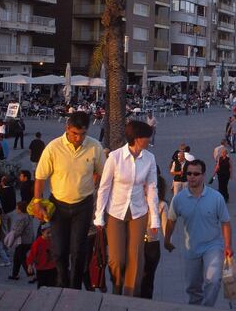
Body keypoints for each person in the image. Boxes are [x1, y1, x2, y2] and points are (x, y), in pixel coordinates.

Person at [33, 112, 105, 289]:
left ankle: (75, 288)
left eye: (82, 134)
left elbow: (102, 172)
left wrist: (93, 183)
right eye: (74, 133)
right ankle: (63, 283)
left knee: (79, 251)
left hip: (83, 205)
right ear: (67, 128)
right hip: (58, 205)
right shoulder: (53, 147)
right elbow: (41, 177)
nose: (78, 138)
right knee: (59, 251)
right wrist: (37, 202)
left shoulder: (95, 147)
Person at [93, 120, 159, 296]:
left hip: (139, 211)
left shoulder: (149, 158)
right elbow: (104, 187)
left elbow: (152, 188)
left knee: (136, 257)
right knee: (116, 258)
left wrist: (155, 220)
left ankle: (130, 295)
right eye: (147, 137)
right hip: (115, 211)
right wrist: (99, 216)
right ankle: (117, 285)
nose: (150, 139)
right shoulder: (115, 157)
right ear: (137, 139)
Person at [164, 159, 232, 307]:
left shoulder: (216, 197)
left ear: (203, 175)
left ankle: (207, 307)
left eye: (196, 174)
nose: (192, 177)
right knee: (193, 287)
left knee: (213, 280)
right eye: (189, 174)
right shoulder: (179, 199)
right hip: (192, 247)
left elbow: (225, 222)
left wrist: (227, 245)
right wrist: (167, 240)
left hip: (213, 246)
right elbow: (171, 220)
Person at [140, 176, 168, 299]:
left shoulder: (161, 205)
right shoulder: (138, 202)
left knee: (148, 277)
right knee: (140, 275)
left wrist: (168, 241)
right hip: (138, 243)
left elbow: (165, 227)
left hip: (152, 245)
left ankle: (146, 302)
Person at [8, 201, 35, 280]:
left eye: (17, 208)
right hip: (29, 239)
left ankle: (31, 275)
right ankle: (15, 274)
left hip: (23, 241)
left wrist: (11, 235)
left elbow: (18, 231)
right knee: (17, 257)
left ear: (20, 209)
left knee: (22, 259)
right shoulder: (28, 216)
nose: (16, 209)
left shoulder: (21, 218)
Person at [26, 223, 57, 288]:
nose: (50, 235)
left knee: (52, 286)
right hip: (41, 269)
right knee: (42, 286)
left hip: (52, 268)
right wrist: (30, 265)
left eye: (51, 233)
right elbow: (32, 254)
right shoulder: (37, 243)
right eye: (48, 233)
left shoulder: (53, 240)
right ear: (42, 232)